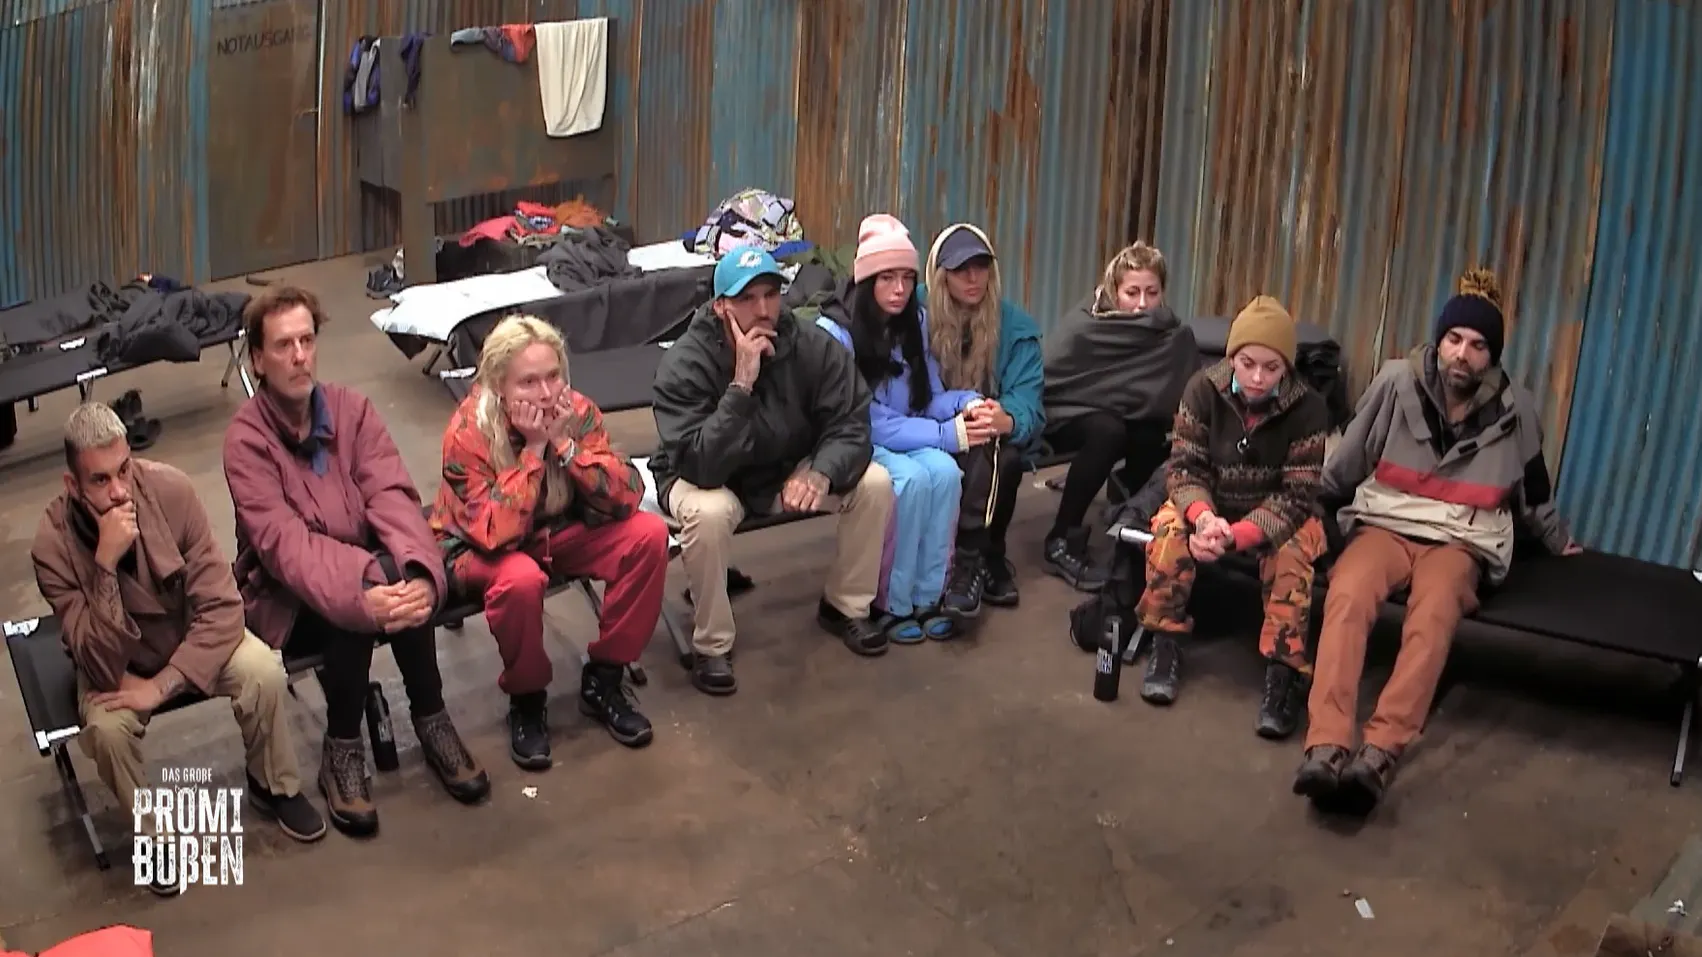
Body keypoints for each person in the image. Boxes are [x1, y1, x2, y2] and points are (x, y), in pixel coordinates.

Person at [1295, 269, 1581, 814]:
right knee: (1347, 594)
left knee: (1434, 615)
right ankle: (1326, 746)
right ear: (1439, 340)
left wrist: (1556, 539)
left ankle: (1379, 753)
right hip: (1386, 524)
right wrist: (1310, 502)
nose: (1462, 355)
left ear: (1491, 355)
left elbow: (1534, 488)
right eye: (1454, 339)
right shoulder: (1396, 382)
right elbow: (1349, 456)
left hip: (1460, 541)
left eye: (1477, 345)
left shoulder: (1516, 409)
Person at [223, 286, 488, 838]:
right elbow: (284, 545)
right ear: (258, 360)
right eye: (283, 346)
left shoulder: (351, 410)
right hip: (283, 597)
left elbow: (392, 494)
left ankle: (431, 717)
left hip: (369, 573)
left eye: (306, 340)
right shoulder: (246, 441)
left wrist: (421, 575)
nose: (299, 356)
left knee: (400, 575)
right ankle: (342, 746)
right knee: (355, 602)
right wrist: (363, 586)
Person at [32, 403, 325, 895]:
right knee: (106, 731)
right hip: (117, 664)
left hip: (192, 637)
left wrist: (163, 685)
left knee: (262, 670)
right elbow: (96, 660)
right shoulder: (52, 546)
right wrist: (104, 567)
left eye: (123, 470)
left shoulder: (171, 490)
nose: (119, 490)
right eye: (100, 480)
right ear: (72, 486)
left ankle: (272, 784)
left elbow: (223, 607)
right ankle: (154, 837)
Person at [650, 244, 896, 695]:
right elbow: (701, 462)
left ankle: (845, 606)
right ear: (720, 306)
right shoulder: (686, 362)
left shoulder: (811, 345)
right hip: (707, 475)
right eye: (747, 298)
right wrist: (741, 385)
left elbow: (851, 422)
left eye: (771, 294)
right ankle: (712, 645)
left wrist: (820, 471)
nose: (763, 309)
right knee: (708, 514)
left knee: (874, 483)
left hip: (783, 466)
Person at [431, 315, 670, 769]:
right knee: (520, 580)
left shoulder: (575, 411)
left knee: (648, 535)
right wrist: (533, 450)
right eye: (527, 382)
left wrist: (565, 445)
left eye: (553, 376)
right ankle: (527, 697)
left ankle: (604, 678)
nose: (544, 393)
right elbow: (495, 533)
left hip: (557, 528)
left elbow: (626, 496)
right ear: (498, 385)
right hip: (478, 546)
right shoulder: (468, 432)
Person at [1133, 296, 1331, 739]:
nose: (1258, 377)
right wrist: (1203, 518)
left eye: (1271, 367)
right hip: (1211, 504)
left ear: (1286, 367)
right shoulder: (1202, 389)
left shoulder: (1310, 408)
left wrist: (1238, 534)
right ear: (1231, 358)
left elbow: (1298, 494)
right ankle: (1165, 639)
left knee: (1294, 556)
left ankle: (1284, 670)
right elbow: (1184, 469)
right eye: (1247, 363)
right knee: (1168, 532)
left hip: (1279, 512)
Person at [814, 214, 969, 644]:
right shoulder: (836, 332)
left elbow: (929, 397)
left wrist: (967, 403)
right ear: (866, 280)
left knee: (946, 473)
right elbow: (863, 420)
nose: (899, 289)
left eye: (907, 277)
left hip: (906, 433)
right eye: (887, 278)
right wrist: (946, 435)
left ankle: (928, 595)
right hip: (853, 441)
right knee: (911, 480)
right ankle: (889, 601)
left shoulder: (914, 322)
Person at [1041, 242, 1197, 591]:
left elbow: (1175, 389)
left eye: (1152, 293)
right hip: (1069, 414)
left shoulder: (1169, 333)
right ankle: (1061, 538)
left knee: (1150, 432)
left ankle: (1135, 531)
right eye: (1132, 293)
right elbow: (1052, 382)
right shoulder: (1087, 326)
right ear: (1115, 290)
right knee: (1108, 431)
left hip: (1132, 415)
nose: (1142, 304)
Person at [920, 224, 1046, 616]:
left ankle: (983, 557)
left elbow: (1027, 396)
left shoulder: (1016, 326)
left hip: (990, 432)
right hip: (930, 424)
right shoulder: (917, 311)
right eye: (961, 269)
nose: (973, 278)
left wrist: (1007, 418)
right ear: (941, 275)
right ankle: (951, 562)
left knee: (1004, 457)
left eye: (981, 266)